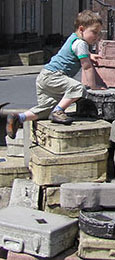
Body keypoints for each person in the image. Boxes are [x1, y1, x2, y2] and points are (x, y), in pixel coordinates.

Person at [6, 9, 104, 139]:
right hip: (54, 76)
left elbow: (75, 53)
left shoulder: (73, 38)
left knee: (46, 110)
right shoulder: (81, 43)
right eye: (94, 32)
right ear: (81, 29)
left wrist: (90, 55)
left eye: (98, 34)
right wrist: (94, 87)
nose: (97, 37)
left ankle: (19, 118)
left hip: (44, 77)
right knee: (78, 88)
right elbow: (86, 67)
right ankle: (58, 111)